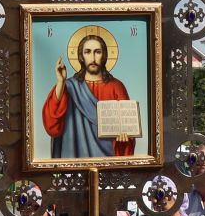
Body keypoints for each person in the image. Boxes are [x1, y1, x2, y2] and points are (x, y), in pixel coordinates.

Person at [42, 29, 137, 157]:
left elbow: (128, 127)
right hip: (76, 155)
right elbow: (52, 123)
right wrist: (61, 82)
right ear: (81, 56)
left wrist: (125, 135)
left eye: (97, 52)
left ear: (104, 55)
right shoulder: (69, 86)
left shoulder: (116, 86)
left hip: (108, 158)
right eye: (87, 52)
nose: (93, 58)